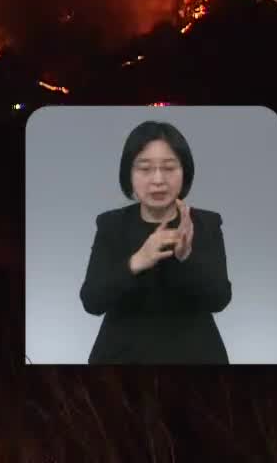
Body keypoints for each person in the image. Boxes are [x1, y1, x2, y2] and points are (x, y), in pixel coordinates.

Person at [78, 120, 231, 363]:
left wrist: (186, 257)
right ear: (128, 174)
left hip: (195, 355)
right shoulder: (111, 225)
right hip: (121, 356)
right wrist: (137, 261)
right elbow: (92, 301)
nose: (158, 179)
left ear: (185, 172)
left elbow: (220, 299)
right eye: (145, 168)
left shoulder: (206, 223)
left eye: (169, 168)